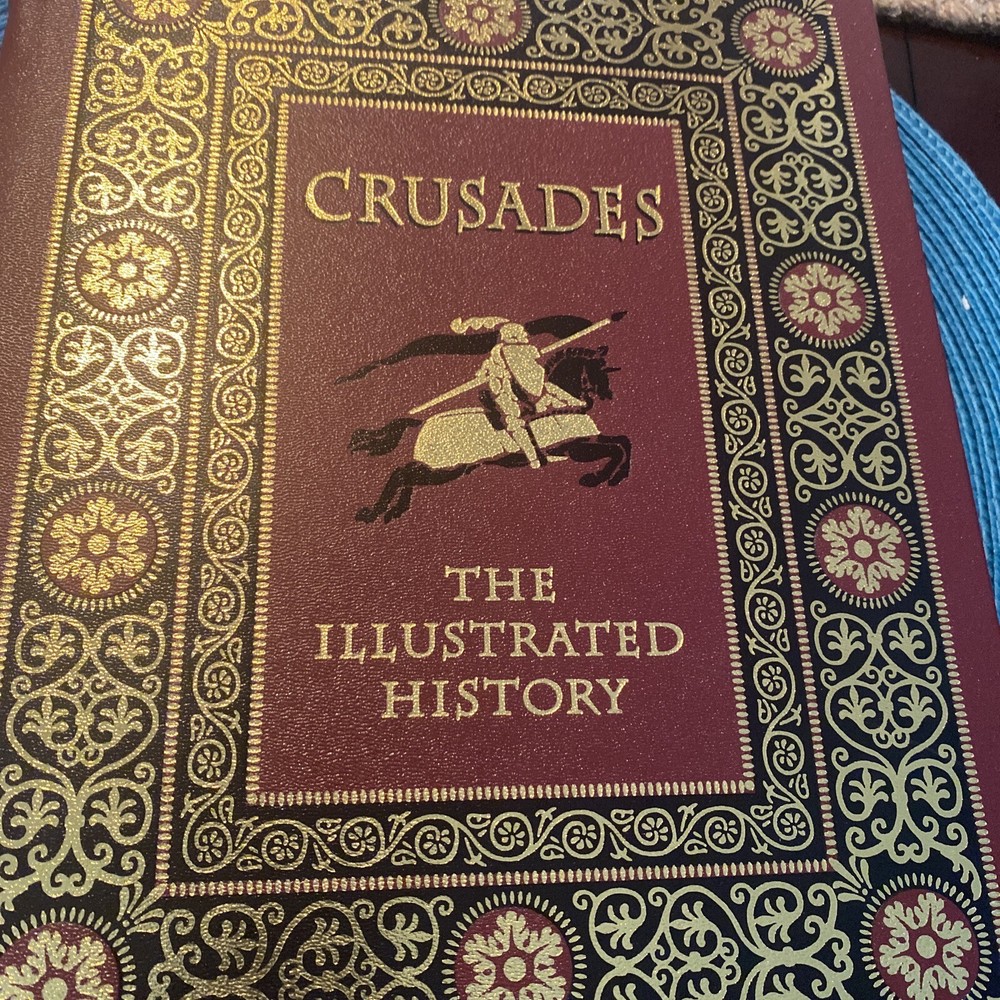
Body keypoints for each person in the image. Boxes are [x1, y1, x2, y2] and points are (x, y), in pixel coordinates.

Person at [451, 316, 585, 468]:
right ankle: (535, 460)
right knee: (518, 424)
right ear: (513, 336)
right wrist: (486, 374)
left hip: (518, 393)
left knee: (546, 393)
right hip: (507, 396)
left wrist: (484, 373)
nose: (525, 335)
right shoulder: (511, 351)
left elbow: (531, 370)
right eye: (521, 333)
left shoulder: (507, 352)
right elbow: (529, 360)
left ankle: (571, 405)